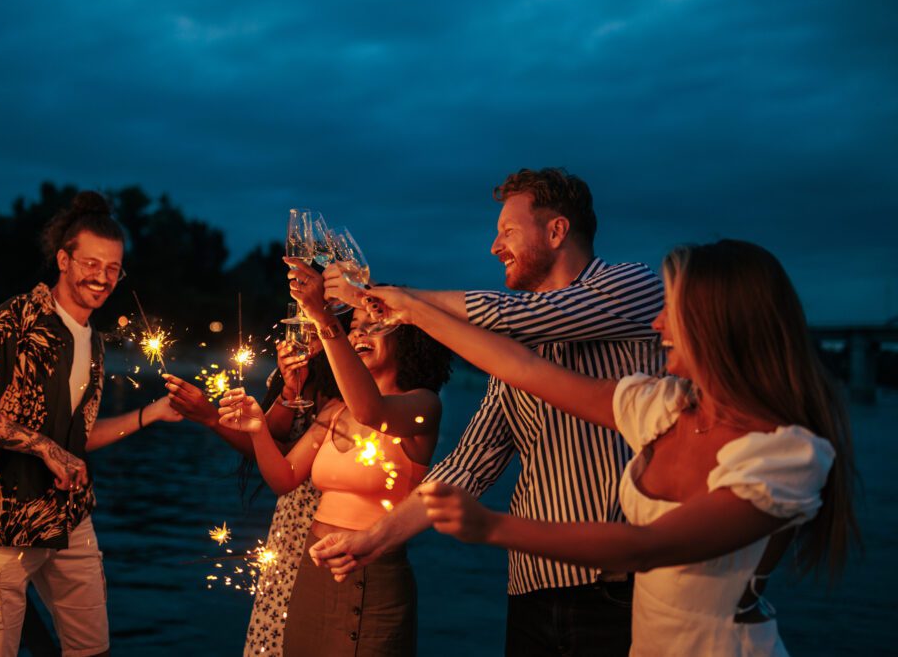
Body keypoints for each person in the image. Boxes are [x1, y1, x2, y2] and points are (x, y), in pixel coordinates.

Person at [370, 239, 860, 656]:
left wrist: (492, 526)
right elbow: (524, 369)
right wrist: (412, 310)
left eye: (671, 309)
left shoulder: (785, 456)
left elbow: (647, 547)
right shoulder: (664, 407)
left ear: (717, 323)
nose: (657, 324)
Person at [312, 168, 664, 655]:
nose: (494, 247)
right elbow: (469, 464)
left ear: (557, 231)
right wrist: (375, 537)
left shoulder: (631, 286)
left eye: (508, 232)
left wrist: (400, 302)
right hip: (532, 586)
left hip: (624, 586)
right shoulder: (505, 352)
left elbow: (519, 315)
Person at [0, 192, 182, 657]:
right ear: (64, 260)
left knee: (91, 649)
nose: (103, 277)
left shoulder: (93, 340)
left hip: (70, 519)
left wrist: (153, 413)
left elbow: (78, 439)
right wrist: (44, 448)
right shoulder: (14, 320)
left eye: (113, 268)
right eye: (91, 263)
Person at [217, 262, 452, 656]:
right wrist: (258, 429)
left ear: (409, 336)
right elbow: (285, 478)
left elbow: (371, 411)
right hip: (312, 577)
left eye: (376, 322)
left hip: (371, 578)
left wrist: (324, 317)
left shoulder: (422, 407)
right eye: (355, 323)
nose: (360, 331)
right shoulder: (334, 412)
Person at [163, 335, 344, 657]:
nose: (302, 330)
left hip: (325, 518)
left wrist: (210, 417)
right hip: (290, 517)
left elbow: (286, 455)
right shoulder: (293, 374)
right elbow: (270, 443)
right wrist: (289, 389)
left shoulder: (347, 383)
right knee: (276, 631)